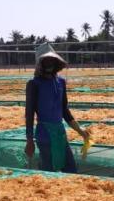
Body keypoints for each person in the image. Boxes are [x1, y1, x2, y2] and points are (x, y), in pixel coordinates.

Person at [24, 43, 90, 172]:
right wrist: (29, 140)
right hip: (44, 134)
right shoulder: (34, 84)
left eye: (52, 61)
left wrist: (80, 130)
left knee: (71, 169)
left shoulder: (61, 82)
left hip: (60, 133)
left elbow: (64, 110)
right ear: (40, 64)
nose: (49, 64)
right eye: (46, 61)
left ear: (56, 62)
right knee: (48, 171)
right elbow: (29, 114)